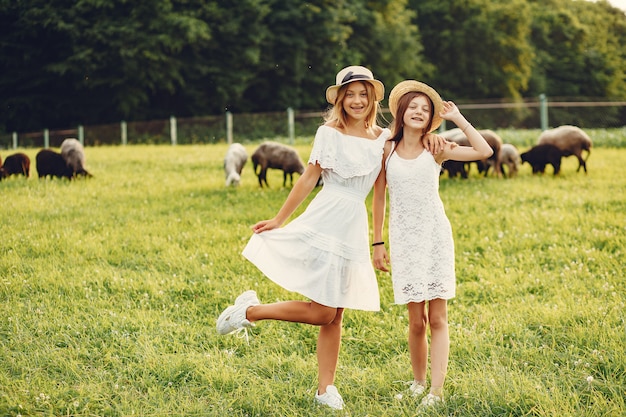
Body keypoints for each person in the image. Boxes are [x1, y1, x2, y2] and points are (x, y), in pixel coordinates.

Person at [215, 65, 390, 410]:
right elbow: (309, 178)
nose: (357, 100)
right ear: (340, 99)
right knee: (324, 312)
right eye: (350, 94)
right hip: (326, 220)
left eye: (363, 94)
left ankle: (325, 389)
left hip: (353, 227)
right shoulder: (328, 133)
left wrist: (378, 241)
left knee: (335, 314)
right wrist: (280, 219)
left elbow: (380, 193)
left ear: (372, 98)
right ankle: (250, 311)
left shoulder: (383, 140)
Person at [372, 80, 493, 407]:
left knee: (438, 318)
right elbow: (379, 196)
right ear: (401, 111)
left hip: (435, 236)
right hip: (404, 240)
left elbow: (485, 151)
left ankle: (436, 392)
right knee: (416, 320)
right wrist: (377, 242)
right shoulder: (387, 148)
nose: (418, 112)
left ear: (430, 119)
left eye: (425, 110)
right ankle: (418, 382)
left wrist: (458, 119)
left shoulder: (435, 148)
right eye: (413, 106)